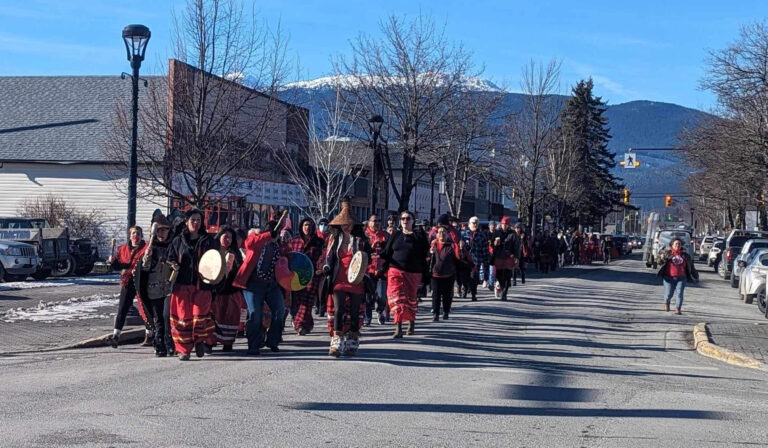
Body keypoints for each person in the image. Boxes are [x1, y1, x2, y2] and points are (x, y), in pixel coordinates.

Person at [322, 200, 371, 357]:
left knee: (355, 312)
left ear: (354, 224)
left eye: (349, 223)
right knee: (339, 310)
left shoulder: (361, 241)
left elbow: (367, 260)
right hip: (339, 280)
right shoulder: (334, 240)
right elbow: (329, 258)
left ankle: (352, 340)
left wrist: (366, 274)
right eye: (343, 223)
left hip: (357, 281)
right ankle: (336, 341)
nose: (346, 226)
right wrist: (326, 268)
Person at [166, 209, 217, 361]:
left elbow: (215, 260)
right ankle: (184, 350)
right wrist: (173, 264)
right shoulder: (178, 241)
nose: (196, 223)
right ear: (187, 222)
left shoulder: (209, 240)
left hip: (202, 285)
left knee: (199, 316)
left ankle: (200, 340)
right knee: (183, 319)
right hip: (182, 286)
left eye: (198, 220)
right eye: (193, 220)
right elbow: (169, 258)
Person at [233, 218, 286, 355]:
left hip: (272, 285)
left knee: (280, 310)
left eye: (278, 232)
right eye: (275, 232)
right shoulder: (257, 240)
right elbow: (248, 243)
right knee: (255, 314)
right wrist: (268, 235)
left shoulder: (279, 246)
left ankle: (273, 340)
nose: (277, 234)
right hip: (253, 285)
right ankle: (253, 345)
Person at [381, 210, 429, 338]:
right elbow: (387, 252)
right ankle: (398, 327)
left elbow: (425, 254)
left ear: (413, 221)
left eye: (408, 218)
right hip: (395, 271)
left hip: (413, 273)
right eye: (403, 219)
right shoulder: (396, 235)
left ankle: (411, 322)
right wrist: (376, 256)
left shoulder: (419, 236)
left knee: (410, 299)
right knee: (396, 299)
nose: (405, 221)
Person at [137, 216, 175, 357]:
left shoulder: (173, 246)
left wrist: (174, 265)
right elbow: (144, 270)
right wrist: (146, 259)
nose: (162, 233)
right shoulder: (149, 248)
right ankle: (159, 345)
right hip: (153, 288)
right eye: (159, 230)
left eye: (164, 230)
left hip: (168, 288)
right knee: (157, 318)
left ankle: (169, 343)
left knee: (166, 316)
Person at [107, 226, 148, 348]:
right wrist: (113, 262)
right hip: (128, 281)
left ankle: (149, 335)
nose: (136, 235)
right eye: (134, 233)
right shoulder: (123, 249)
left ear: (141, 236)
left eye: (138, 233)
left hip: (142, 281)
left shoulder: (146, 248)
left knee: (145, 309)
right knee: (122, 308)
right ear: (130, 236)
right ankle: (116, 336)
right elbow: (119, 266)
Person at [209, 226, 246, 352]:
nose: (227, 240)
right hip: (216, 292)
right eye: (225, 236)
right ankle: (210, 342)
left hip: (231, 291)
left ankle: (228, 342)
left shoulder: (235, 254)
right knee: (214, 317)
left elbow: (240, 272)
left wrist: (232, 269)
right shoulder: (212, 252)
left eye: (230, 237)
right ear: (219, 237)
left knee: (230, 317)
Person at [286, 218, 324, 335]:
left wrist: (319, 269)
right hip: (296, 276)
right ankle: (307, 323)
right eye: (305, 225)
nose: (307, 227)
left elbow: (323, 257)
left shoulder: (319, 242)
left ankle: (300, 325)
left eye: (309, 225)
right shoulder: (294, 242)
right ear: (301, 227)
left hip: (312, 276)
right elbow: (289, 257)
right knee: (297, 301)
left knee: (307, 301)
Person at [657, 238, 699, 314]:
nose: (678, 245)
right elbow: (659, 263)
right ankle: (666, 302)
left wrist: (696, 276)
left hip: (681, 278)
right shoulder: (667, 253)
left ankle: (678, 308)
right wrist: (662, 258)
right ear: (672, 245)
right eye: (676, 244)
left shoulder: (685, 256)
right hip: (669, 277)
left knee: (680, 293)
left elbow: (691, 267)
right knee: (669, 293)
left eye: (679, 244)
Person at [430, 225, 460, 321]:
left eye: (444, 232)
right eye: (439, 232)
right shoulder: (433, 245)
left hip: (448, 274)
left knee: (447, 295)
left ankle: (446, 312)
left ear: (447, 234)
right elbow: (427, 259)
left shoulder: (451, 245)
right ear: (436, 235)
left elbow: (458, 257)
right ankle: (436, 313)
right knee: (436, 295)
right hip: (435, 274)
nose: (441, 234)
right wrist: (430, 253)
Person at [364, 214, 389, 325]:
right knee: (368, 297)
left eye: (378, 220)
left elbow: (389, 252)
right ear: (369, 222)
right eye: (374, 221)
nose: (376, 223)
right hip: (368, 270)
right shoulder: (364, 236)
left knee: (382, 296)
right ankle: (367, 318)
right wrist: (371, 247)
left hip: (382, 270)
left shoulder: (386, 235)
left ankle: (380, 311)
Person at [490, 217, 520, 301]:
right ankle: (502, 288)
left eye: (506, 224)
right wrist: (494, 244)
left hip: (508, 257)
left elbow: (516, 246)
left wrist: (516, 257)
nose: (504, 226)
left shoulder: (512, 234)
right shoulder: (497, 232)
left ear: (508, 225)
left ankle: (505, 292)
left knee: (507, 275)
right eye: (503, 224)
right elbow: (491, 244)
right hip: (498, 256)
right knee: (499, 275)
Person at [463, 216, 489, 302]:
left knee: (473, 277)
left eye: (476, 223)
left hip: (476, 260)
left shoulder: (482, 235)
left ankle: (473, 294)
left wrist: (486, 262)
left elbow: (485, 250)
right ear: (469, 224)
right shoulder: (464, 234)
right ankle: (465, 289)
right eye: (473, 223)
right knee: (465, 277)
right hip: (464, 260)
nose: (475, 225)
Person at [486, 221, 497, 289]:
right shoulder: (486, 234)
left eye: (494, 225)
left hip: (495, 254)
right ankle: (487, 281)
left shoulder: (497, 234)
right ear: (489, 226)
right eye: (491, 225)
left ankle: (491, 283)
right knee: (487, 269)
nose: (492, 226)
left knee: (492, 270)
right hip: (487, 253)